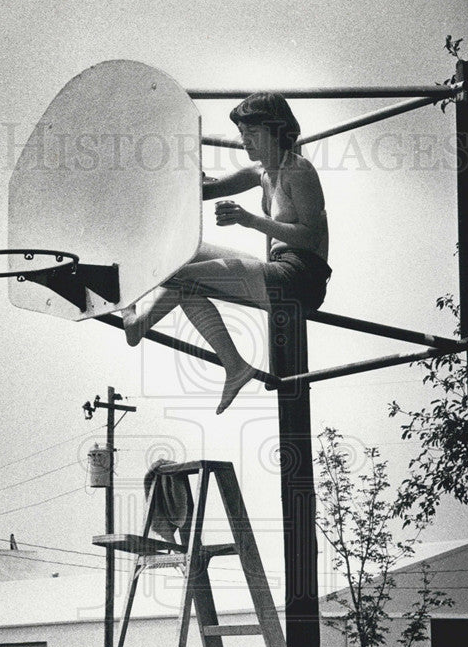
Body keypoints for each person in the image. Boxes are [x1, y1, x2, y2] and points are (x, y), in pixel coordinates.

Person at [121, 92, 331, 414]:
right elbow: (208, 190)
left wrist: (249, 220)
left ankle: (232, 365)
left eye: (253, 134)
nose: (245, 141)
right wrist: (164, 178)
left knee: (178, 277)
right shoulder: (260, 172)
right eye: (243, 134)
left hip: (301, 280)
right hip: (276, 269)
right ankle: (148, 328)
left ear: (275, 130)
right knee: (184, 260)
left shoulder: (298, 170)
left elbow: (310, 238)